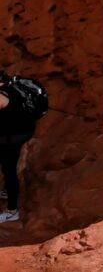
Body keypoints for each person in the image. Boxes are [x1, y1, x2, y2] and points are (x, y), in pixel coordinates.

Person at [0, 72, 46, 224]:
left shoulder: (2, 97)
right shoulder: (14, 86)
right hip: (24, 130)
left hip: (12, 137)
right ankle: (7, 190)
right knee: (10, 163)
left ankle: (12, 211)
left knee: (9, 169)